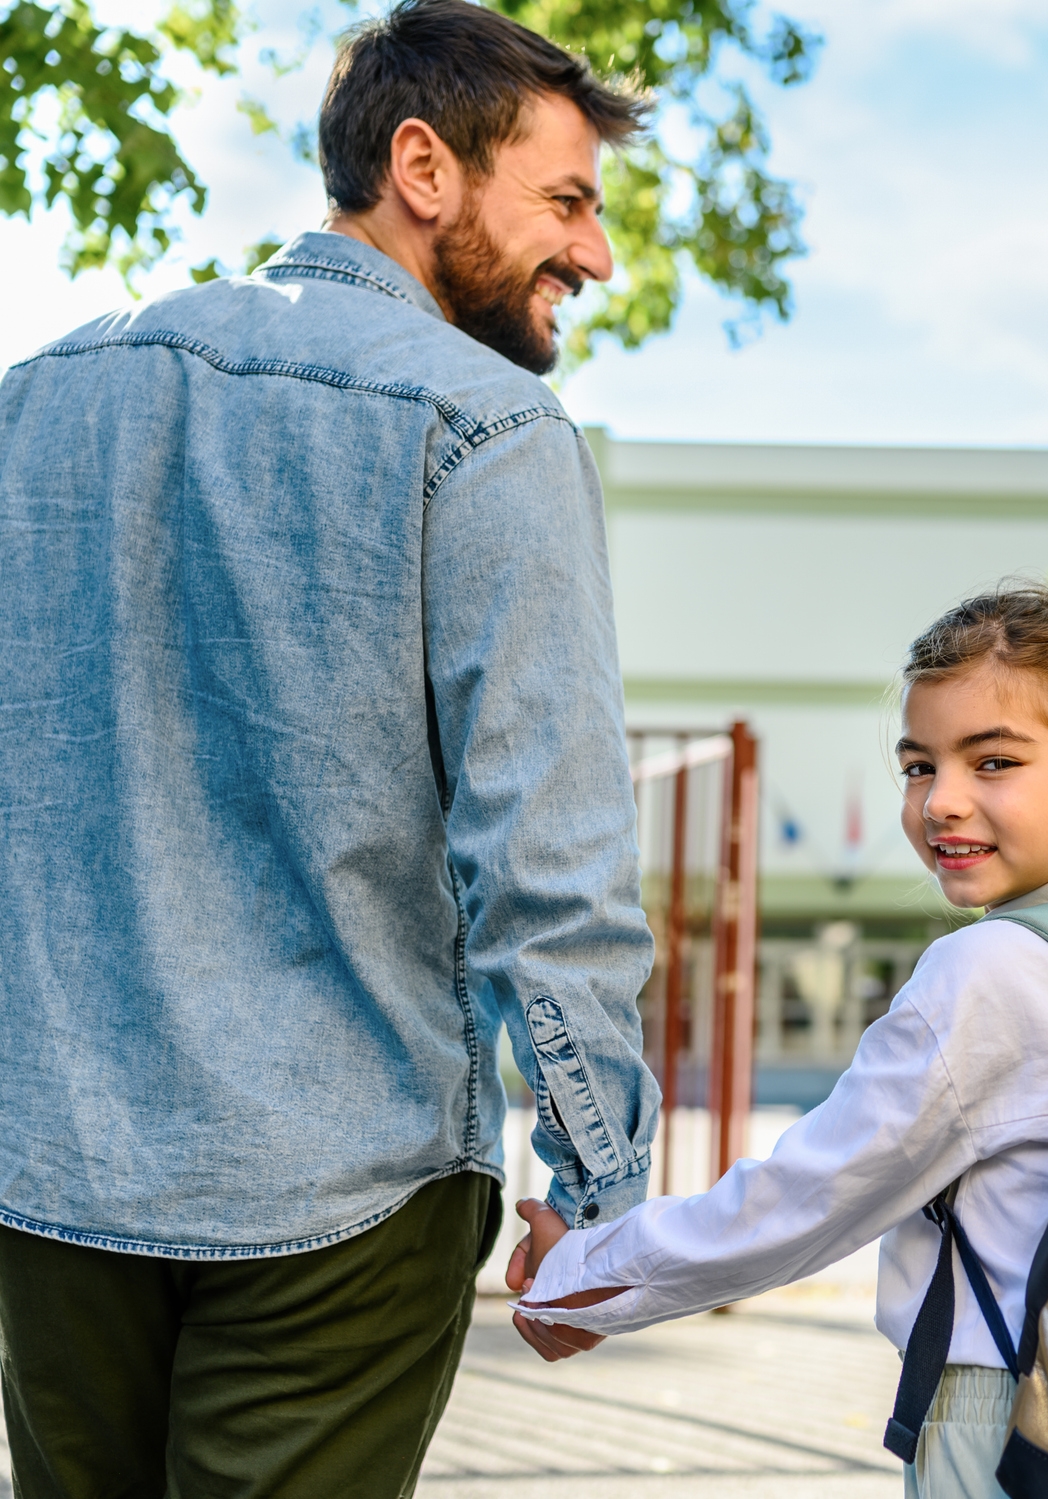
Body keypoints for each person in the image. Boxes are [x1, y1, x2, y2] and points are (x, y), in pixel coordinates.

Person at [0, 2, 661, 1491]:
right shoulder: (487, 431)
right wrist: (598, 1179)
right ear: (420, 167)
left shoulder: (31, 404)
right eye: (565, 201)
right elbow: (547, 864)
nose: (595, 255)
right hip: (341, 1197)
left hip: (49, 1179)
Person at [504, 585, 1048, 1499]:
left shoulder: (991, 970)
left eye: (993, 762)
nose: (942, 801)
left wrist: (582, 1275)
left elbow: (806, 1199)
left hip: (1023, 1430)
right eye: (920, 766)